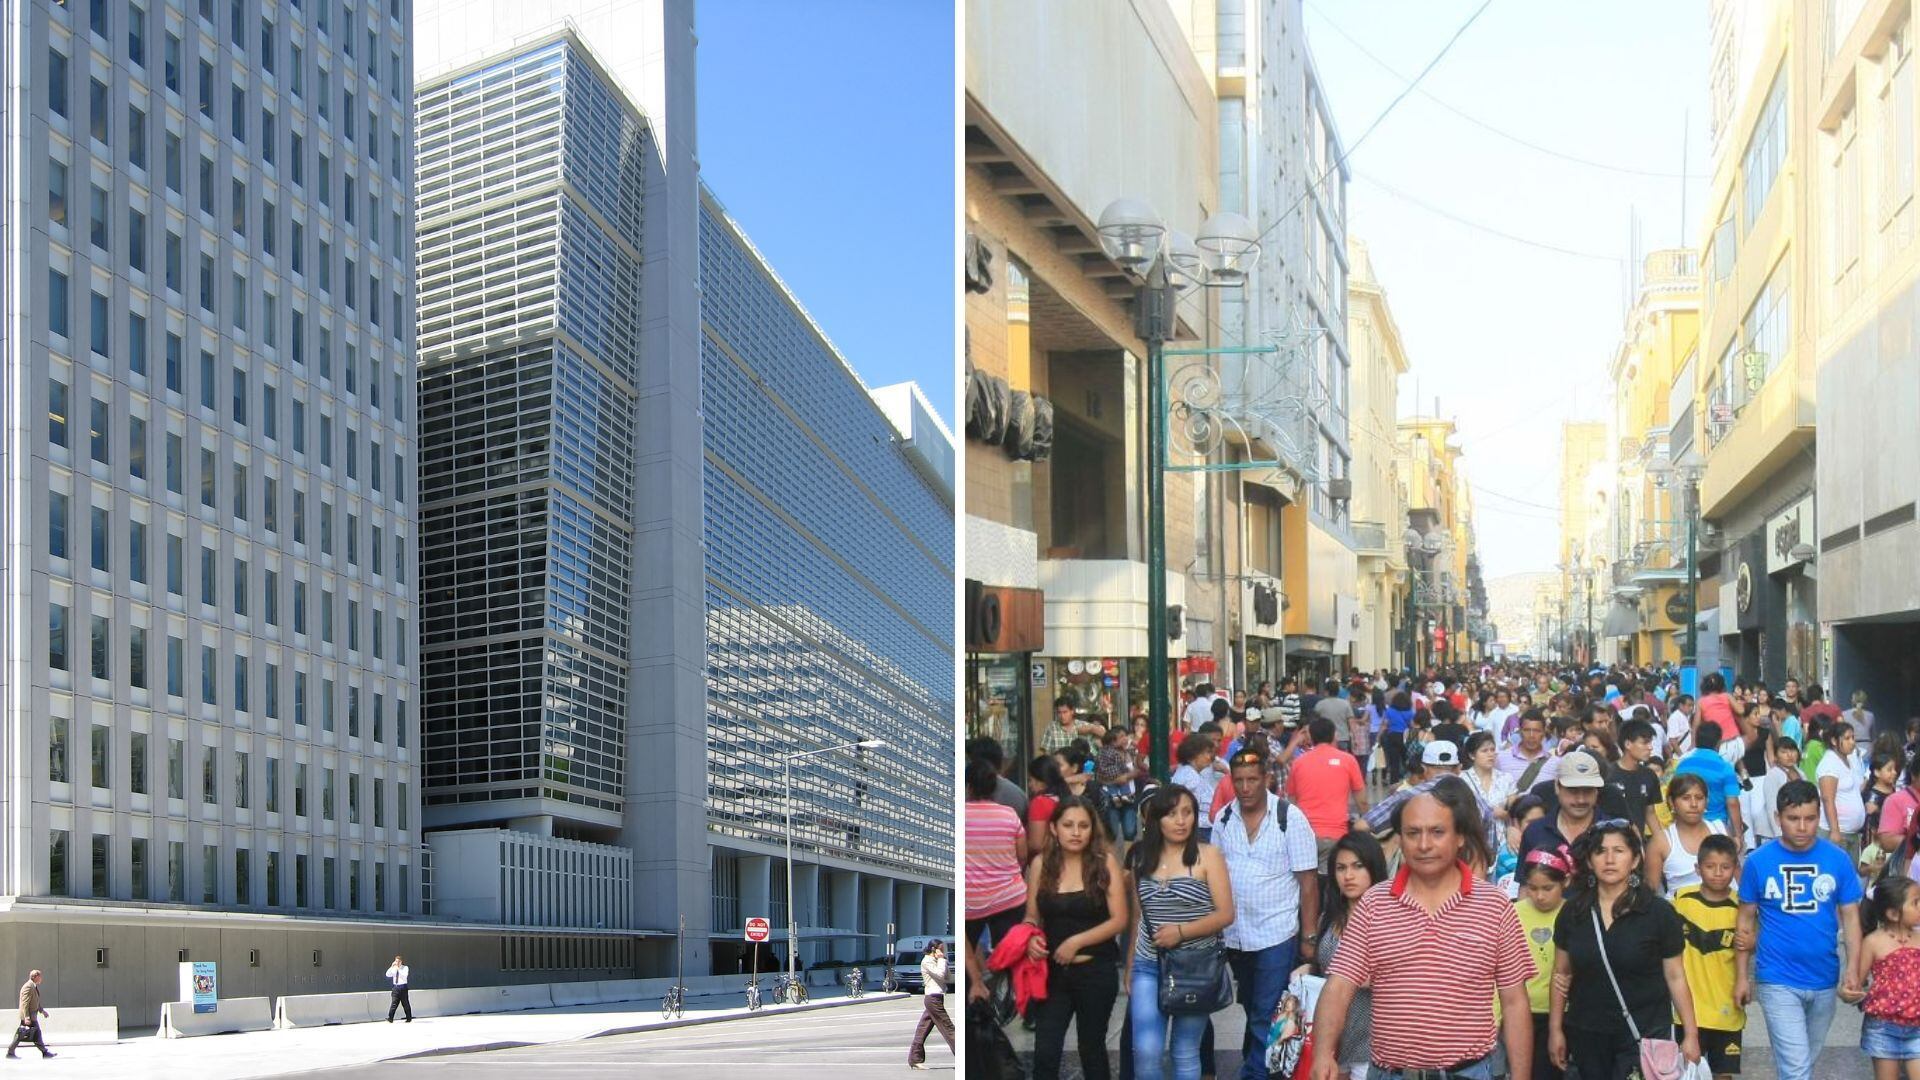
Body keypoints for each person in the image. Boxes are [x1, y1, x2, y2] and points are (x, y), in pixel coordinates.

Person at [1307, 791, 1536, 1080]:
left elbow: (1514, 1001)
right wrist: (1323, 1053)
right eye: (1413, 833)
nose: (1424, 844)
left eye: (1437, 832)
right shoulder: (1374, 904)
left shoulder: (1494, 905)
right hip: (1390, 1073)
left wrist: (1521, 1075)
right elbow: (1338, 986)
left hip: (1469, 1073)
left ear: (1460, 837)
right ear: (1400, 839)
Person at [1547, 820, 1702, 1079]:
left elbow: (1675, 976)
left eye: (1618, 851)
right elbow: (1561, 973)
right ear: (1589, 861)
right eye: (1600, 851)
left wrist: (1691, 1034)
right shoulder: (1573, 912)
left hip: (1643, 1034)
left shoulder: (1657, 912)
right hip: (1587, 1034)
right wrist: (1555, 1030)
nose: (1609, 859)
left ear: (1634, 860)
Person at [1734, 779, 1866, 1080]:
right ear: (1777, 818)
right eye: (1793, 819)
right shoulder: (1757, 862)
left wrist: (1853, 969)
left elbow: (1851, 919)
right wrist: (1742, 976)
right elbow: (1744, 922)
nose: (1803, 827)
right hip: (1776, 977)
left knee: (1801, 1063)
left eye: (1810, 818)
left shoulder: (1838, 859)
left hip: (1824, 977)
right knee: (1796, 1069)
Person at [1214, 747, 1318, 1080]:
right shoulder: (1224, 818)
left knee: (1265, 1011)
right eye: (1239, 781)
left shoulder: (1290, 817)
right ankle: (1262, 1063)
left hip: (1277, 932)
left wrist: (1309, 936)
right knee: (1253, 1008)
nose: (1245, 788)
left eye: (1252, 780)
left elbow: (1308, 882)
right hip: (1236, 935)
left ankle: (1257, 1074)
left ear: (1267, 780)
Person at [1126, 784, 1235, 1080]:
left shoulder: (1208, 855)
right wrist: (1129, 967)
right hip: (1149, 963)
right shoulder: (1140, 859)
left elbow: (1226, 914)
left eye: (1187, 812)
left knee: (1185, 1051)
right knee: (1146, 1051)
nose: (1181, 820)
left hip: (1195, 965)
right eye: (1172, 814)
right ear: (1156, 819)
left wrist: (1181, 932)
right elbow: (1138, 917)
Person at [1023, 797, 1127, 1080]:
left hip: (1096, 971)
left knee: (1091, 1049)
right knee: (1045, 1052)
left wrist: (1076, 942)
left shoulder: (1105, 864)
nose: (1076, 832)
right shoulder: (1041, 864)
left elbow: (1119, 919)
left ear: (1092, 829)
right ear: (1054, 828)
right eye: (1068, 825)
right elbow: (1032, 915)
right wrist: (1031, 936)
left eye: (1083, 825)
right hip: (1052, 973)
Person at [1307, 831, 1388, 1080]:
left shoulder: (1389, 918)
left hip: (1373, 1040)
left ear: (1373, 868)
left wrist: (1364, 979)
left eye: (1357, 866)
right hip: (1334, 1041)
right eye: (1341, 868)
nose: (1348, 876)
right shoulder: (1329, 918)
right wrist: (1308, 970)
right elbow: (1324, 967)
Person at [1672, 835, 1744, 1080]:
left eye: (1725, 867)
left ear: (1735, 869)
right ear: (1697, 868)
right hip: (1688, 1010)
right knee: (1687, 1073)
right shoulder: (1681, 901)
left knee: (1724, 1074)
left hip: (1727, 1009)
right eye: (1710, 866)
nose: (1718, 873)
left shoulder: (1741, 907)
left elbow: (1753, 944)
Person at [1854, 876, 1920, 1078]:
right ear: (1893, 913)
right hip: (1882, 1027)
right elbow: (1857, 982)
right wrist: (1850, 991)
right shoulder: (1873, 942)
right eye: (1915, 902)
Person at [965, 757, 1030, 957]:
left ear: (968, 786)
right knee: (1011, 957)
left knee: (966, 959)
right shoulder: (1010, 814)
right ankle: (1008, 987)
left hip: (970, 900)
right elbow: (1023, 856)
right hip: (1010, 897)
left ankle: (974, 985)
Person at [1517, 848, 1572, 1080]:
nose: (1539, 896)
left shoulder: (1573, 914)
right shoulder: (1513, 913)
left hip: (1564, 1013)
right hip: (1522, 1013)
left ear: (1565, 882)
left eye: (1547, 888)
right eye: (1532, 888)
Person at [1285, 718, 1368, 867]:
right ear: (1334, 735)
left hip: (1303, 836)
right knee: (1331, 883)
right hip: (1336, 835)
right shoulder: (1348, 760)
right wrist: (1368, 826)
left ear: (1311, 737)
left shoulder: (1298, 763)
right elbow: (1361, 802)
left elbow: (1291, 801)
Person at [1518, 749, 1608, 864]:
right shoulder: (1535, 832)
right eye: (1573, 791)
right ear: (1557, 787)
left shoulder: (1612, 833)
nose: (1580, 799)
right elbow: (1526, 880)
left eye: (1587, 790)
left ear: (1596, 791)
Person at [1646, 774, 1729, 897]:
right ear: (1671, 802)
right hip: (1677, 913)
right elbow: (1650, 890)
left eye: (1699, 797)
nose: (1694, 804)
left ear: (1706, 801)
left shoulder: (1720, 829)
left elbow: (1737, 875)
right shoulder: (1661, 841)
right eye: (1686, 798)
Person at [1672, 722, 1746, 842]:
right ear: (1718, 742)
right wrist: (1738, 835)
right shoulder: (1724, 767)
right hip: (1717, 826)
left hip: (1686, 825)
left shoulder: (1682, 765)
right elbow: (1732, 803)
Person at [1817, 722, 1867, 859]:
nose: (1852, 742)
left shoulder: (1850, 759)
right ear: (1834, 741)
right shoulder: (1829, 764)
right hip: (1838, 833)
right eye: (1847, 738)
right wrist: (1835, 831)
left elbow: (1856, 789)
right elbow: (1828, 799)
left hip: (1852, 833)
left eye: (1853, 737)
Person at [1608, 719, 1663, 836]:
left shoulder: (1649, 775)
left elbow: (1650, 813)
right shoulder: (1608, 775)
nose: (1650, 748)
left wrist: (1661, 840)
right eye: (1644, 743)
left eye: (1650, 743)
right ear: (1627, 744)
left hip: (1638, 843)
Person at [906, 940, 953, 1070]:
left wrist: (943, 960)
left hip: (937, 997)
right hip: (933, 998)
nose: (943, 952)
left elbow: (948, 977)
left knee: (923, 1028)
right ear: (933, 949)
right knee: (949, 1028)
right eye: (941, 949)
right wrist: (942, 960)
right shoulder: (926, 961)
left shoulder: (938, 961)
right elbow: (939, 975)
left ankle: (914, 1059)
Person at [1171, 733, 1221, 843]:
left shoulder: (1190, 773)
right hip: (1200, 830)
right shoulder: (1190, 777)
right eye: (1206, 753)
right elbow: (1188, 807)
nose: (1209, 757)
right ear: (1194, 755)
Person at [1498, 711, 1561, 790]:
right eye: (1527, 730)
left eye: (1537, 731)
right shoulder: (1501, 759)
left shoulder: (1555, 763)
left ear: (1544, 733)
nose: (1531, 735)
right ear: (1520, 731)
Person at [1464, 731, 1516, 821]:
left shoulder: (1506, 778)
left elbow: (1515, 812)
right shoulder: (1462, 779)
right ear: (1472, 755)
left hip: (1502, 832)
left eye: (1492, 750)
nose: (1490, 754)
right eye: (1484, 751)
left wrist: (1504, 815)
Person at [5, 971, 51, 1060]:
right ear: (35, 977)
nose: (41, 978)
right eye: (40, 976)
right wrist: (26, 1017)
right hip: (29, 1016)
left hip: (31, 1016)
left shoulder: (33, 986)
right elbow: (25, 1003)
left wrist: (42, 1011)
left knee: (25, 1033)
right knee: (30, 1033)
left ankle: (10, 1052)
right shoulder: (28, 986)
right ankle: (44, 1052)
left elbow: (36, 1001)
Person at [385, 954, 413, 1023]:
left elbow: (404, 976)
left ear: (401, 962)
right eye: (396, 961)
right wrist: (391, 967)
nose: (397, 963)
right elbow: (387, 974)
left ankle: (409, 1018)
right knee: (394, 1003)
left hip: (403, 987)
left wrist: (398, 969)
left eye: (398, 961)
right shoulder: (393, 968)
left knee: (405, 1003)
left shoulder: (405, 968)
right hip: (396, 988)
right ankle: (390, 1018)